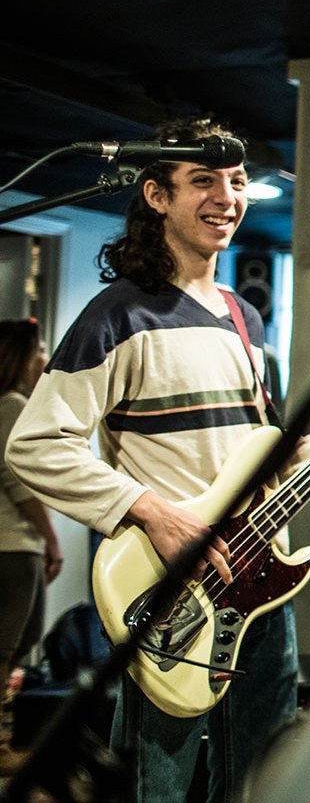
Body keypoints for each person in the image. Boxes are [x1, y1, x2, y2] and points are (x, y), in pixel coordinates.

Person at [5, 116, 310, 802]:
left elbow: (262, 451)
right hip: (173, 590)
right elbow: (34, 444)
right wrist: (152, 512)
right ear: (156, 196)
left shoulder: (245, 320)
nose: (228, 196)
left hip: (264, 589)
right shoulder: (118, 315)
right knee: (156, 783)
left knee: (264, 778)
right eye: (203, 181)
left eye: (238, 181)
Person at [0, 318, 61, 775]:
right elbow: (20, 485)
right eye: (38, 350)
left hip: (19, 545)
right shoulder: (12, 405)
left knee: (22, 641)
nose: (44, 358)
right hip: (13, 546)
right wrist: (51, 538)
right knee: (7, 647)